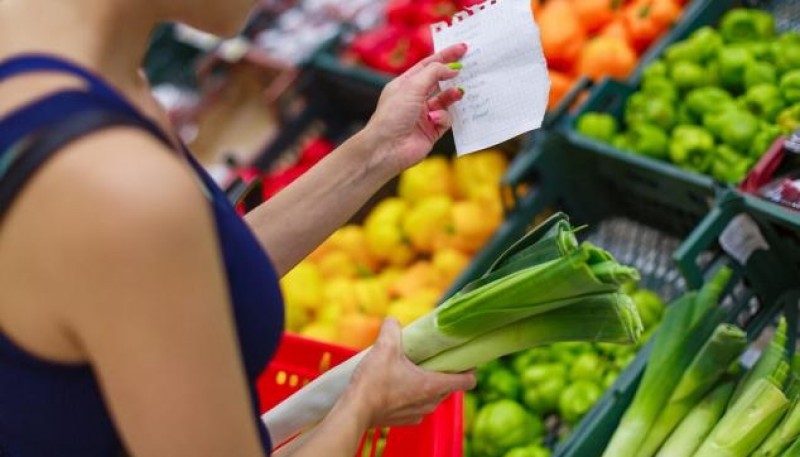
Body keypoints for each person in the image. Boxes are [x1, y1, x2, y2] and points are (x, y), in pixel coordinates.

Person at [0, 1, 476, 456]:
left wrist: (376, 150)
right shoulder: (121, 188)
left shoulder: (71, 68)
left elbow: (188, 275)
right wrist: (362, 404)